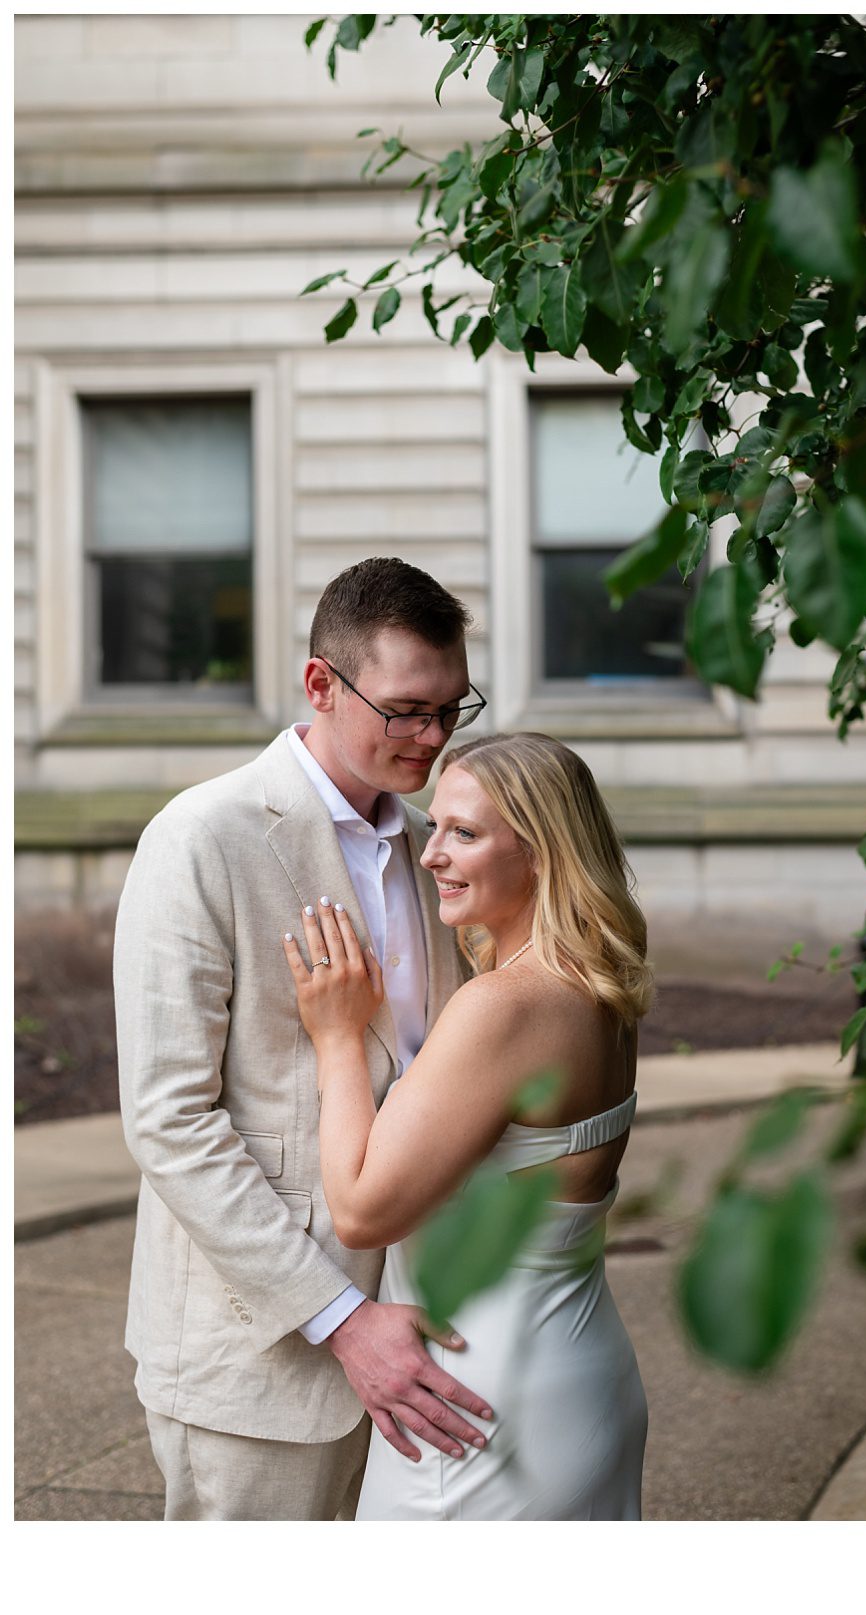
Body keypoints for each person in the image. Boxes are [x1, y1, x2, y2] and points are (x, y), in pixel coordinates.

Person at [116, 557, 492, 1519]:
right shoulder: (201, 836)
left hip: (427, 1332)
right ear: (321, 683)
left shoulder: (430, 842)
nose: (435, 736)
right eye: (407, 708)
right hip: (264, 1352)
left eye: (453, 708)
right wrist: (343, 1320)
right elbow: (170, 1122)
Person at [287, 731, 652, 1519]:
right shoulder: (600, 984)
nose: (431, 855)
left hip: (471, 1409)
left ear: (542, 851)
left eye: (465, 832)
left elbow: (360, 1206)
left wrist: (338, 1037)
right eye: (437, 825)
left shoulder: (504, 1006)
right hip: (583, 1377)